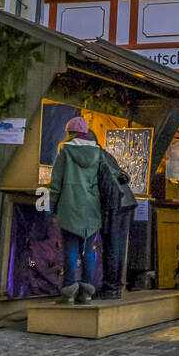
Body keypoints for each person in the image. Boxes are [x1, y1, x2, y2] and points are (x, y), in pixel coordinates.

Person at [48, 117, 103, 304]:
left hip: (70, 206)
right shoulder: (97, 153)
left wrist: (51, 207)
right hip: (91, 207)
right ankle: (87, 291)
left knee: (71, 250)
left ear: (70, 133)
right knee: (88, 250)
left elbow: (56, 182)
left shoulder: (65, 151)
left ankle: (69, 290)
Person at [97, 144, 138, 300]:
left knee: (112, 245)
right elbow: (124, 176)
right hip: (125, 200)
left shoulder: (94, 155)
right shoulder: (107, 155)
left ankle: (111, 287)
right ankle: (115, 286)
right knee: (118, 246)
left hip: (114, 202)